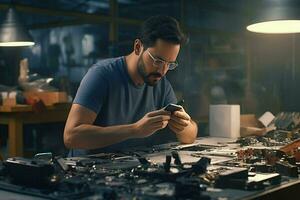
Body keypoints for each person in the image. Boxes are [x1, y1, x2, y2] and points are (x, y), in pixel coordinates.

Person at [64, 15, 198, 156]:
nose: (162, 71)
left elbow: (190, 136)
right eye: (158, 61)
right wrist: (134, 130)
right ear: (138, 47)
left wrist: (183, 125)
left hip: (130, 169)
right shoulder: (101, 75)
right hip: (85, 171)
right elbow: (71, 137)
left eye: (169, 64)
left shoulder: (160, 84)